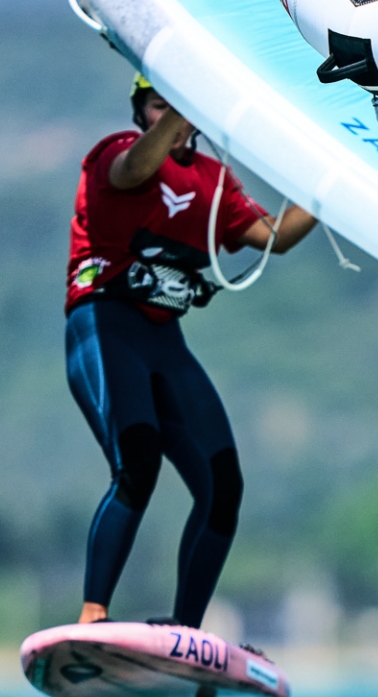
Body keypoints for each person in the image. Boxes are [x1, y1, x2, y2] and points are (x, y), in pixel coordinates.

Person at [65, 77, 318, 627]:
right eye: (158, 106)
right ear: (141, 113)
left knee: (223, 485)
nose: (171, 117)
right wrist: (183, 101)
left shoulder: (213, 181)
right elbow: (134, 170)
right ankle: (93, 613)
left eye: (177, 106)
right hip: (103, 325)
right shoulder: (115, 154)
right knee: (138, 464)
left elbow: (274, 236)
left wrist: (330, 183)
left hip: (164, 341)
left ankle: (186, 631)